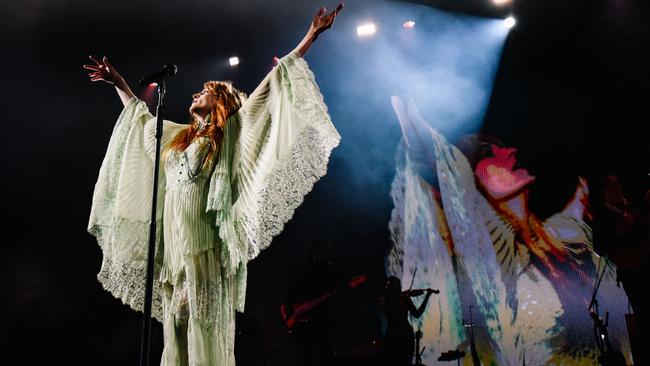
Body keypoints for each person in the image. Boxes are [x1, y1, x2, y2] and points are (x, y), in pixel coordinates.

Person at [84, 5, 343, 365]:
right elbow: (142, 121)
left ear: (220, 102)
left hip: (204, 248)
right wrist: (119, 83)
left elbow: (269, 89)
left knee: (202, 331)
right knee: (174, 332)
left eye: (205, 91)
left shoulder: (228, 137)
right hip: (176, 250)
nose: (196, 94)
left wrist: (311, 35)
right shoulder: (179, 139)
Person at [387, 96, 632, 365]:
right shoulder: (494, 243)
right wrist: (409, 112)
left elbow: (593, 221)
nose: (510, 152)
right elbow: (443, 166)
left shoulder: (552, 233)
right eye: (490, 154)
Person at [379, 276, 434, 366]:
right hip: (403, 335)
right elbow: (417, 314)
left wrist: (405, 297)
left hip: (396, 336)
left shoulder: (395, 300)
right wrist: (427, 296)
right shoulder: (396, 300)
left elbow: (416, 314)